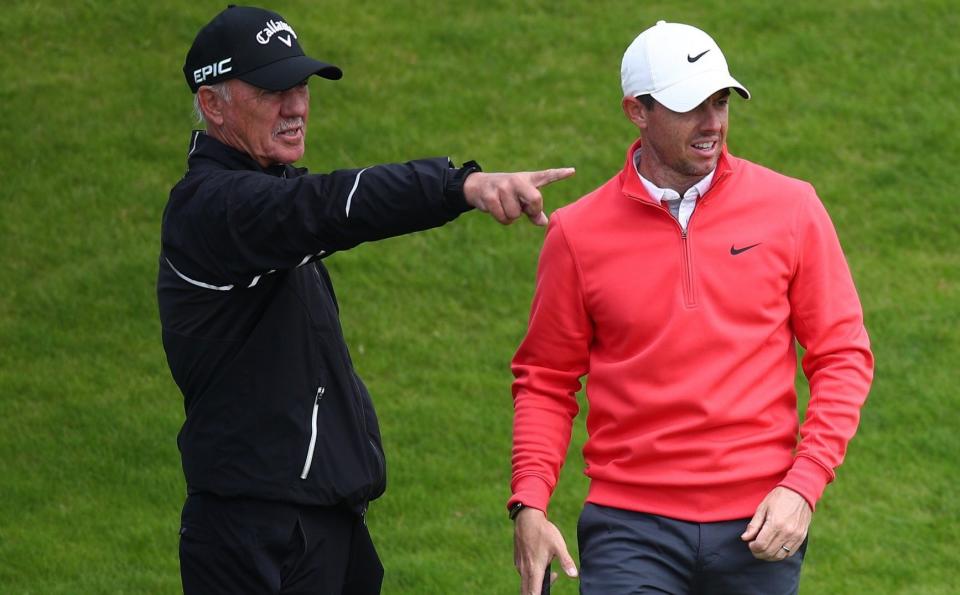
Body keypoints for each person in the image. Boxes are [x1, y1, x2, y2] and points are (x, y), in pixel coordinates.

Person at [157, 5, 573, 594]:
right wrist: (462, 186)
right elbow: (330, 207)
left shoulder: (265, 197)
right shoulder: (213, 208)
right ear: (214, 102)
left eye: (300, 86)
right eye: (274, 89)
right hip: (254, 535)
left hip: (321, 527)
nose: (297, 105)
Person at [508, 20, 873, 595]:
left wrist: (804, 485)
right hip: (629, 532)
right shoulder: (577, 235)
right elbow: (547, 380)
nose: (713, 123)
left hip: (760, 528)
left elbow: (843, 355)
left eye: (721, 100)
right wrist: (529, 501)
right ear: (637, 111)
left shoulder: (792, 208)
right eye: (690, 106)